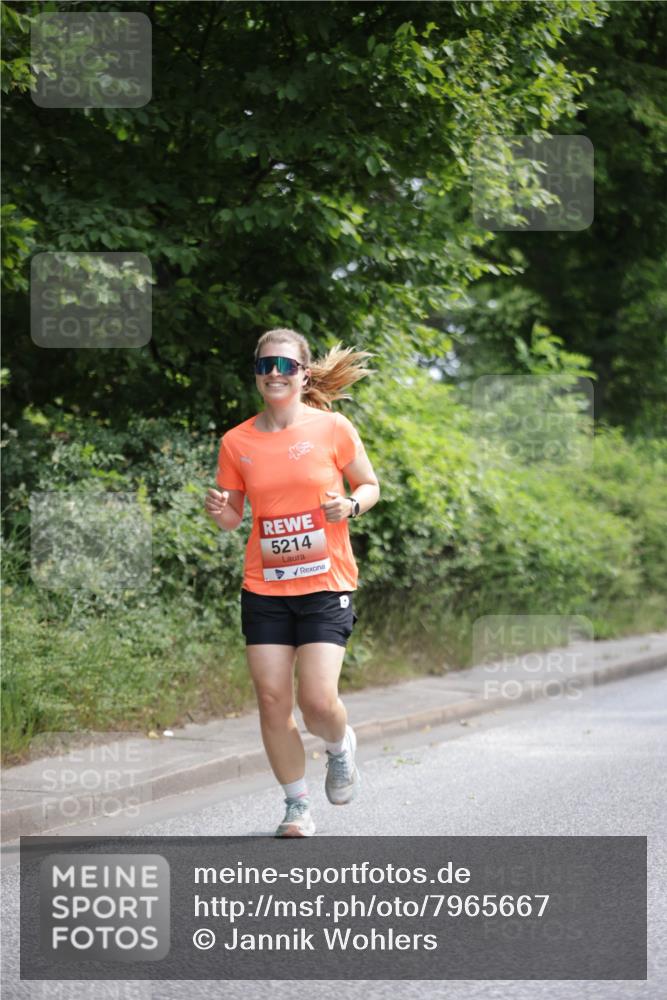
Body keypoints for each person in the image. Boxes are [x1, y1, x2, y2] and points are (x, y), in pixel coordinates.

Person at [204, 327, 380, 837]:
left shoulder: (333, 428)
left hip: (326, 580)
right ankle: (296, 805)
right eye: (265, 366)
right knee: (272, 699)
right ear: (256, 375)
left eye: (285, 366)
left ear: (303, 375)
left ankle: (338, 746)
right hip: (265, 586)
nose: (274, 374)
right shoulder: (237, 441)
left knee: (318, 702)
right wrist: (220, 509)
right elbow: (234, 518)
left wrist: (348, 505)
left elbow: (370, 485)